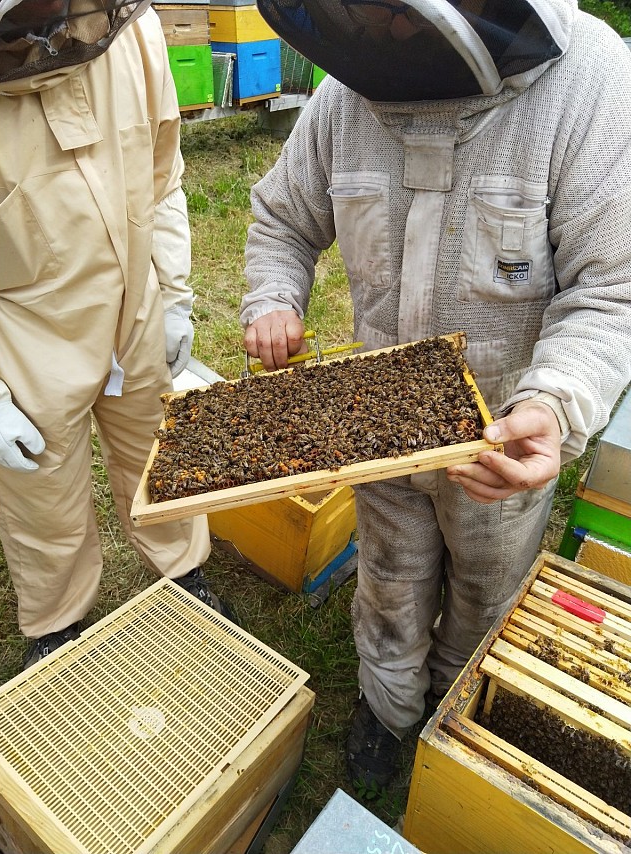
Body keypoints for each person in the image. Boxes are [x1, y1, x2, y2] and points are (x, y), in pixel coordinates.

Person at [240, 0, 631, 789]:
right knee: (389, 573)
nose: (384, 30)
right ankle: (388, 711)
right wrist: (274, 298)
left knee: (487, 587)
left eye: (402, 9)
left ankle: (453, 714)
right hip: (378, 424)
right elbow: (281, 218)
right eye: (368, 8)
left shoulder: (592, 82)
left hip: (502, 433)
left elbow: (611, 288)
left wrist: (552, 402)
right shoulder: (346, 93)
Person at [0, 0, 233, 672]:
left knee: (157, 451)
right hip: (19, 329)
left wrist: (177, 296)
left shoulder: (133, 32)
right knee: (41, 490)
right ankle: (57, 622)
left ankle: (183, 571)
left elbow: (163, 172)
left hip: (136, 300)